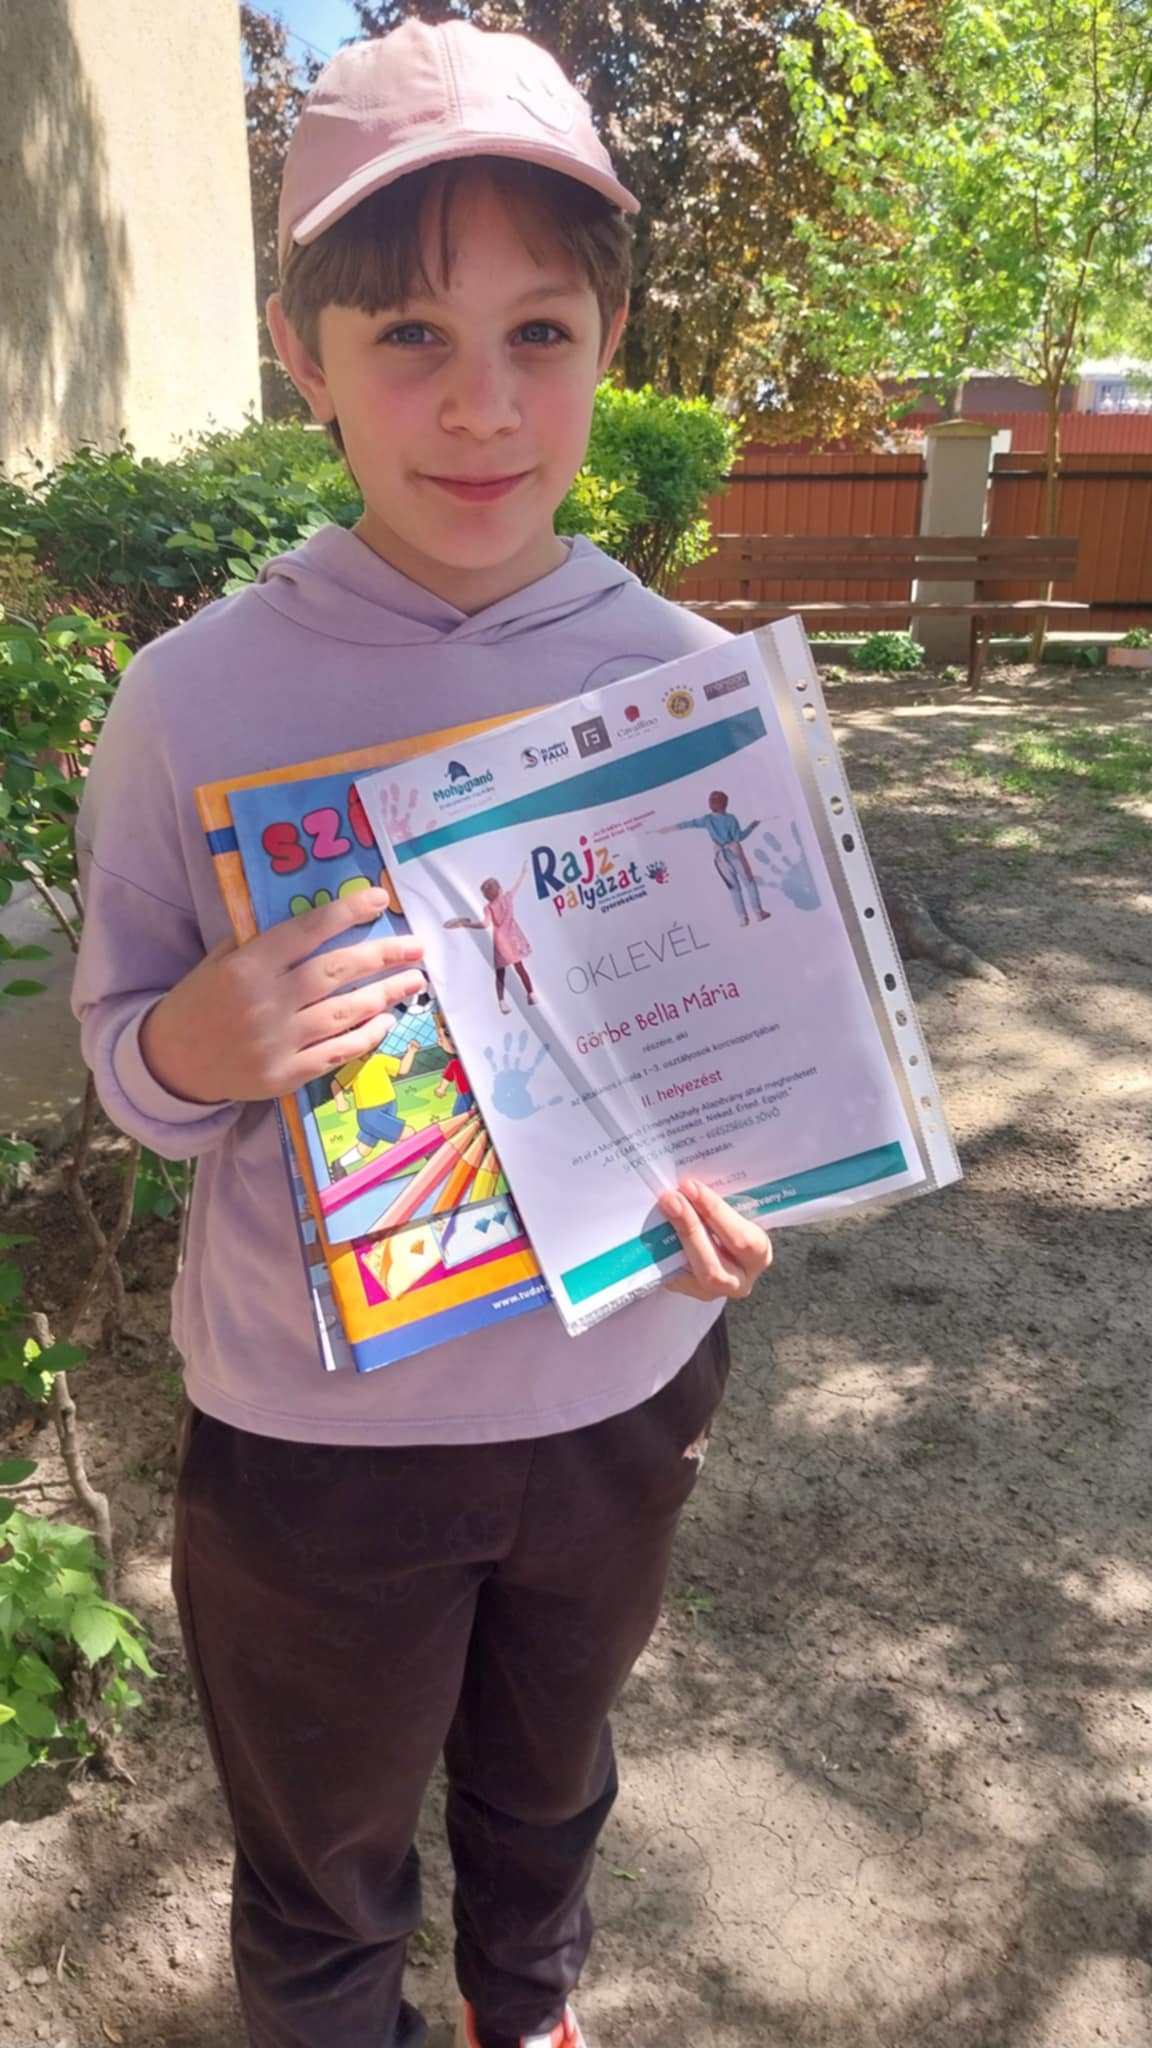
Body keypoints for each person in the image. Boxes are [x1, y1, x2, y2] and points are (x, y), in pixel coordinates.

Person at [70, 21, 773, 2048]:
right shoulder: (194, 702)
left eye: (539, 332)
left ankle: (521, 2006)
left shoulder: (686, 683)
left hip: (617, 1395)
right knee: (324, 1857)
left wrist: (744, 1190)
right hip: (315, 1449)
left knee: (550, 1783)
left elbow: (739, 1049)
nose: (481, 403)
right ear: (301, 355)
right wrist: (198, 1044)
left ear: (611, 339)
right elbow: (123, 1058)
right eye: (406, 337)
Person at [659, 790, 771, 926]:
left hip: (720, 859)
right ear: (725, 804)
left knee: (733, 888)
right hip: (735, 855)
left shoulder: (707, 819)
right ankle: (758, 912)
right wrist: (752, 826)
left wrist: (668, 829)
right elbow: (739, 837)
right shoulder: (730, 818)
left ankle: (742, 918)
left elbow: (688, 824)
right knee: (749, 882)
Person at [445, 864, 537, 1012]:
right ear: (499, 889)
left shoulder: (488, 908)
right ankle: (531, 994)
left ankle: (502, 1002)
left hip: (500, 941)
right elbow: (516, 886)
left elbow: (484, 925)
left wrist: (467, 924)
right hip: (513, 938)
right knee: (519, 967)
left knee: (500, 972)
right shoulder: (508, 898)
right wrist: (523, 873)